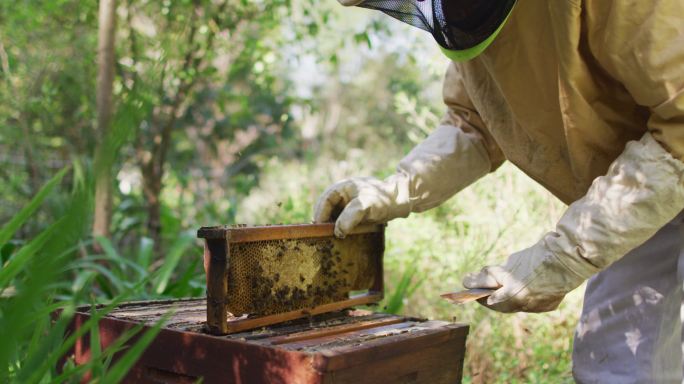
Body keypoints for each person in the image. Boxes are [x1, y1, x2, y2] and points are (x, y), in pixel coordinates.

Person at [313, 0, 684, 382]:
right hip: (637, 189)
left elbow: (680, 124)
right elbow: (474, 123)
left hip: (665, 159)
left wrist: (565, 254)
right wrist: (396, 190)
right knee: (614, 369)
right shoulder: (467, 21)